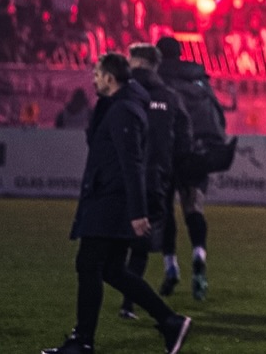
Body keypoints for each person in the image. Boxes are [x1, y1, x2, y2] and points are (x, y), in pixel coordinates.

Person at [42, 53, 191, 354]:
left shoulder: (123, 110)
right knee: (112, 269)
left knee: (88, 264)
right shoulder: (120, 106)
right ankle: (169, 320)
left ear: (110, 78)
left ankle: (83, 341)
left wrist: (137, 212)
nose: (93, 79)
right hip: (111, 198)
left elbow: (132, 162)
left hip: (111, 201)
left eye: (97, 74)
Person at [118, 43, 193, 320]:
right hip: (152, 181)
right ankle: (128, 304)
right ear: (155, 65)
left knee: (100, 252)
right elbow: (184, 139)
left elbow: (96, 134)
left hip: (116, 181)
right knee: (139, 246)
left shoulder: (117, 93)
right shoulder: (169, 98)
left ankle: (84, 329)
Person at [155, 35, 230, 301]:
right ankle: (199, 255)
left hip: (165, 153)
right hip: (197, 152)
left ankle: (171, 266)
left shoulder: (156, 79)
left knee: (164, 212)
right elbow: (218, 115)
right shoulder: (199, 78)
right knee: (193, 209)